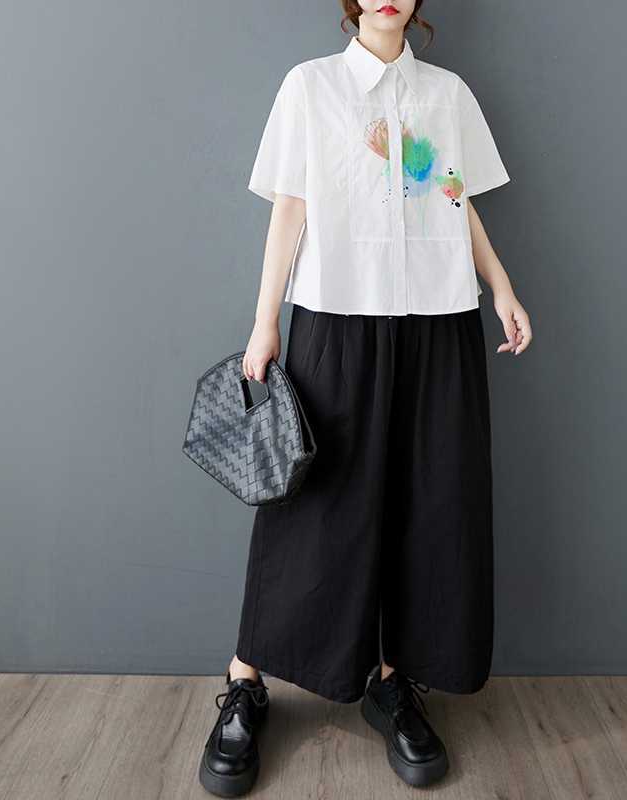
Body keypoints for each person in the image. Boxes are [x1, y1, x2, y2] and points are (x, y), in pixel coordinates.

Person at [199, 1, 532, 795]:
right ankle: (246, 680)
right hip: (336, 318)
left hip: (439, 321)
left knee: (431, 502)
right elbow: (290, 206)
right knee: (316, 502)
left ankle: (393, 680)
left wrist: (501, 286)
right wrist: (265, 322)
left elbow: (452, 193)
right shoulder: (311, 87)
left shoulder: (446, 94)